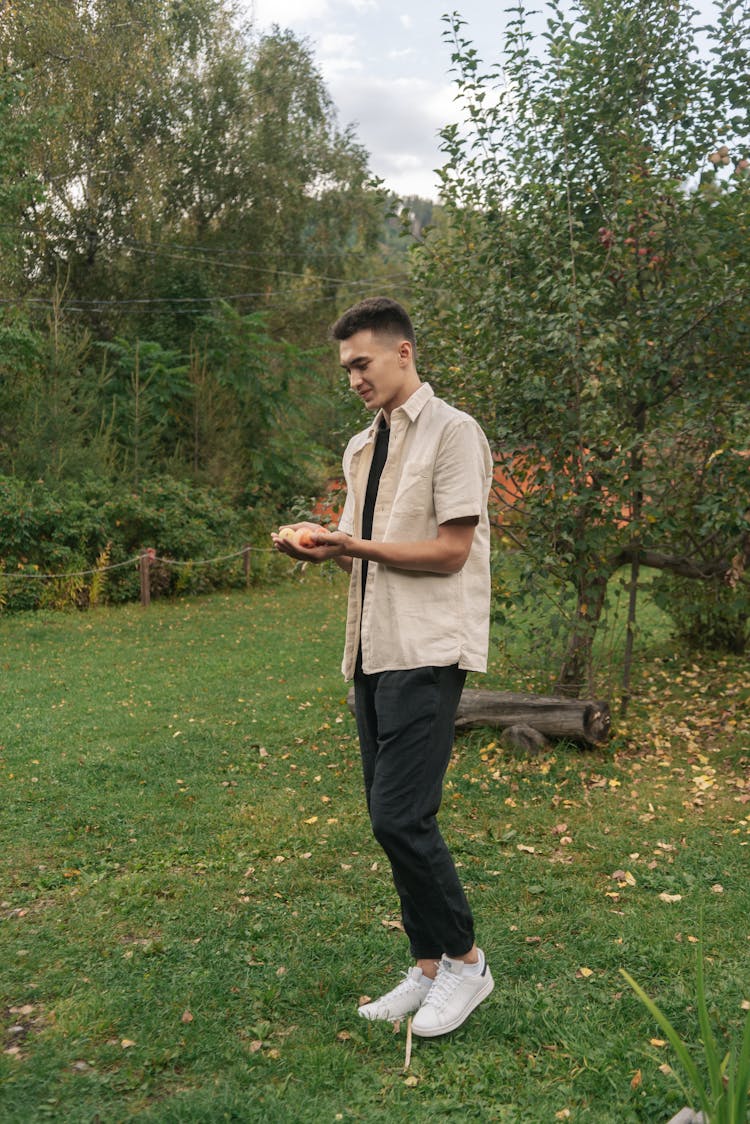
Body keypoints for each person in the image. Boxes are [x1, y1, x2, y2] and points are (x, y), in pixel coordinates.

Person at [271, 296, 494, 1037]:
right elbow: (369, 560)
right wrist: (322, 546)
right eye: (345, 369)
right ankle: (425, 966)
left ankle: (466, 963)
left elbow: (449, 552)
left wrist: (350, 546)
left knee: (401, 816)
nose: (353, 378)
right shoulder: (362, 447)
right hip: (371, 650)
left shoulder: (455, 434)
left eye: (361, 363)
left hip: (429, 651)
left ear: (403, 352)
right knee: (388, 820)